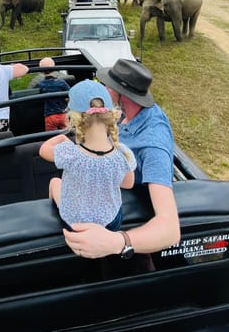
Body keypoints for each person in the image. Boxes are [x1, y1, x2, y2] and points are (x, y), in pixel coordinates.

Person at [62, 59, 181, 259]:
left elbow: (170, 229)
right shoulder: (128, 112)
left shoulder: (153, 145)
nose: (102, 90)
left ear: (121, 95)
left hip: (120, 220)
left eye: (106, 86)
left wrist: (117, 241)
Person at [39, 80, 136, 232]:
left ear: (74, 120)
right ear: (110, 115)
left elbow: (43, 150)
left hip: (76, 224)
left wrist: (61, 138)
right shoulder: (123, 153)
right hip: (110, 223)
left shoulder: (69, 153)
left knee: (54, 181)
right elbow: (128, 184)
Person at [36, 57, 70, 131]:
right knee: (68, 134)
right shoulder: (61, 82)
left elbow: (41, 99)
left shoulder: (41, 85)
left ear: (41, 71)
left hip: (50, 115)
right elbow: (69, 95)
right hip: (63, 113)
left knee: (52, 136)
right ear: (54, 68)